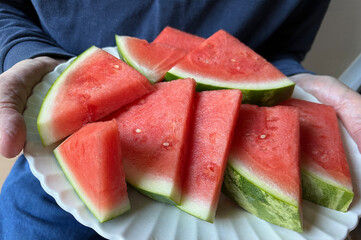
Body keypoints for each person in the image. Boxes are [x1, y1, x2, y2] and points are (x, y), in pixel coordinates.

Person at [1, 0, 361, 239]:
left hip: (227, 207)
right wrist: (26, 54)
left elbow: (277, 48)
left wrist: (292, 82)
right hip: (48, 182)